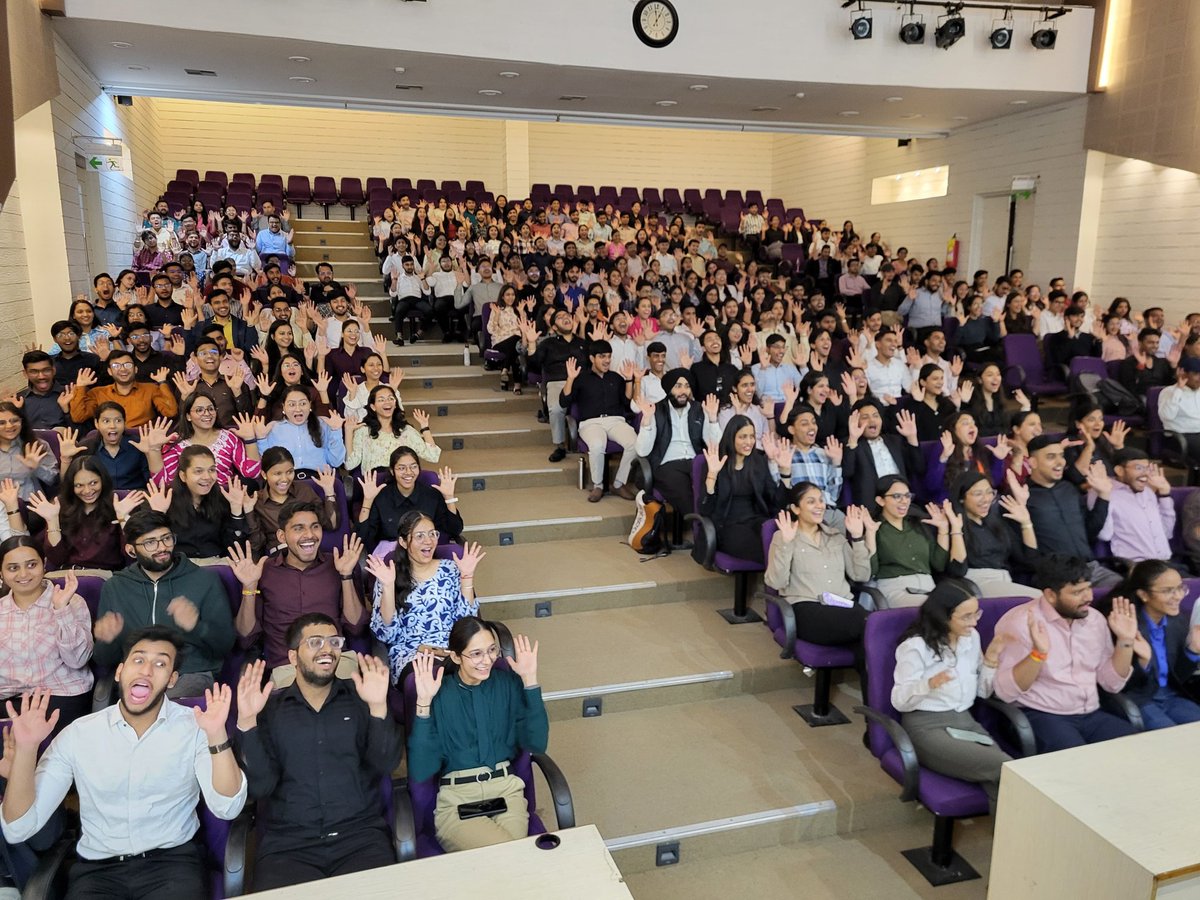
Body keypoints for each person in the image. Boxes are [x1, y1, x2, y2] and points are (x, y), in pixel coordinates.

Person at [0, 628, 247, 900]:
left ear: (172, 679)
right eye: (138, 660)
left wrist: (217, 734)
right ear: (119, 672)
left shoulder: (195, 726)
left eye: (160, 664)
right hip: (97, 872)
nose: (146, 671)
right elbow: (18, 828)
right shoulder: (79, 734)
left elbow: (227, 807)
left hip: (172, 866)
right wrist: (26, 750)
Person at [233, 621, 403, 891]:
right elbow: (260, 786)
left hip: (360, 839)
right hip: (289, 847)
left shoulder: (363, 698)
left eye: (334, 642)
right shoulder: (270, 710)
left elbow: (385, 763)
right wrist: (247, 722)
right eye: (315, 642)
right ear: (292, 657)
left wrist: (379, 707)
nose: (327, 649)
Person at [408, 620, 547, 852]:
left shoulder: (508, 683)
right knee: (512, 855)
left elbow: (537, 742)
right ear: (456, 657)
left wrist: (530, 680)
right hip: (458, 800)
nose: (487, 660)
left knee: (509, 859)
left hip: (506, 791)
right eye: (476, 654)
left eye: (492, 650)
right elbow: (422, 768)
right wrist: (423, 702)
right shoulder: (438, 693)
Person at [992, 554, 1140, 753]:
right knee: (1078, 761)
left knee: (1137, 751)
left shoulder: (1095, 620)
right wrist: (1038, 654)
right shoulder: (1020, 623)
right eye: (1078, 592)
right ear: (1050, 595)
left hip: (1091, 713)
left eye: (1088, 588)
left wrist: (1125, 641)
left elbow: (1111, 684)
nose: (1088, 597)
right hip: (1041, 714)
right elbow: (1006, 692)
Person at [891, 581, 1013, 811]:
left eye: (976, 614)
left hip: (965, 721)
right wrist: (928, 684)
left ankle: (1010, 834)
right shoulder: (916, 646)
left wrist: (991, 660)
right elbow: (899, 701)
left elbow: (982, 692)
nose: (974, 622)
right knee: (1006, 768)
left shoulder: (971, 637)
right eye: (966, 617)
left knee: (1002, 780)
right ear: (942, 616)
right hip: (926, 726)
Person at [93, 510, 235, 697]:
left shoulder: (204, 580)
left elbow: (225, 646)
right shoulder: (115, 587)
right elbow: (104, 660)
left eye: (166, 539)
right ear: (131, 550)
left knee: (155, 704)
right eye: (150, 542)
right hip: (139, 675)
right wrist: (107, 640)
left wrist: (196, 627)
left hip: (190, 673)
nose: (162, 548)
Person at [230, 503, 367, 673]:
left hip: (335, 663)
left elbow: (356, 628)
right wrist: (249, 587)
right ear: (282, 536)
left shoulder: (338, 564)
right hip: (286, 667)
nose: (309, 535)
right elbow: (245, 638)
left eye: (315, 527)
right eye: (298, 528)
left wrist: (346, 576)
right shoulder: (264, 571)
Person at [764, 491, 874, 683]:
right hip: (807, 609)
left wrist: (857, 537)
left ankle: (875, 698)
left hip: (843, 607)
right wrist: (786, 544)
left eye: (821, 501)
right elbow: (776, 582)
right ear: (796, 508)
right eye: (811, 501)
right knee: (871, 626)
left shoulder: (835, 536)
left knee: (869, 646)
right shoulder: (783, 537)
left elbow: (861, 575)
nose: (820, 505)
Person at [364, 513, 484, 683]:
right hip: (411, 655)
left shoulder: (451, 569)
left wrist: (467, 577)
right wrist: (388, 586)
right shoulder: (388, 574)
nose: (428, 541)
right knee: (433, 680)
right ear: (403, 542)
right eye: (420, 536)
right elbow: (387, 634)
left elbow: (466, 623)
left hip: (453, 652)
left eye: (433, 534)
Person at [0, 542, 93, 736]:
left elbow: (77, 661)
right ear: (1, 573)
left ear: (44, 564)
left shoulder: (72, 601)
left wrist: (61, 610)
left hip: (60, 693)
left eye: (31, 565)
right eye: (13, 568)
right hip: (8, 696)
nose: (23, 574)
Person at [1022, 435, 1121, 591]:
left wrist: (1103, 496)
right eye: (1051, 457)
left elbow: (1090, 531)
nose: (1060, 462)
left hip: (1089, 568)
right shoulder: (1023, 496)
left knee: (1126, 590)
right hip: (1057, 575)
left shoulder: (1069, 489)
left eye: (1061, 456)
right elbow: (1021, 551)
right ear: (1032, 462)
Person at [1113, 561, 1200, 730]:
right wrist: (1144, 664)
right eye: (1168, 591)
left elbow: (1177, 678)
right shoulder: (1126, 626)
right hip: (1141, 699)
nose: (1178, 596)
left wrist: (1192, 652)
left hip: (1172, 696)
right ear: (1143, 595)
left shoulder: (1177, 622)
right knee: (1170, 736)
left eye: (1180, 588)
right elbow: (1121, 686)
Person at [26, 457, 145, 572]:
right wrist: (52, 520)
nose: (87, 491)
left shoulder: (120, 504)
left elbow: (132, 556)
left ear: (103, 480)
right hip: (67, 573)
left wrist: (123, 517)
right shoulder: (61, 506)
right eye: (79, 485)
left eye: (93, 483)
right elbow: (57, 559)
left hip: (103, 575)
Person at [699, 415, 787, 564]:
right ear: (731, 438)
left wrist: (785, 472)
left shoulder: (758, 461)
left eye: (752, 436)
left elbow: (774, 502)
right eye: (743, 437)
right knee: (769, 550)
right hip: (726, 525)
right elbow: (705, 510)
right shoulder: (715, 463)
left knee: (782, 541)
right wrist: (712, 475)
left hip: (756, 520)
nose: (749, 442)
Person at [633, 369, 721, 516]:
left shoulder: (699, 409)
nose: (683, 391)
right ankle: (698, 525)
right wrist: (647, 420)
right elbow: (642, 451)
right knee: (686, 497)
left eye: (687, 386)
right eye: (678, 386)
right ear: (669, 389)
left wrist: (712, 418)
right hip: (667, 465)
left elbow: (715, 445)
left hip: (695, 461)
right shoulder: (656, 410)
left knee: (714, 489)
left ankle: (711, 524)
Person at [870, 475, 967, 608]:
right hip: (895, 588)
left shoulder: (918, 524)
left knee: (963, 605)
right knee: (936, 608)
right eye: (897, 496)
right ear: (881, 500)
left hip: (928, 588)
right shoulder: (874, 527)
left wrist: (943, 529)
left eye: (907, 496)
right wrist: (869, 534)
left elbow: (939, 564)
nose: (904, 501)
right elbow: (871, 571)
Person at [560, 344, 637, 502]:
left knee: (635, 443)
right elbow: (564, 401)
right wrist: (570, 378)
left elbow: (627, 402)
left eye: (609, 356)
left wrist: (629, 379)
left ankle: (619, 483)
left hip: (616, 420)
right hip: (591, 423)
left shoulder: (616, 378)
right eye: (602, 356)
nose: (607, 360)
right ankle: (598, 486)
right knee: (596, 445)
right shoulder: (581, 378)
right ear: (592, 358)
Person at [147, 445, 249, 559]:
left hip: (215, 563)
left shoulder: (223, 498)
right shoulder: (165, 500)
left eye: (212, 470)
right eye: (198, 471)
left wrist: (236, 509)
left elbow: (235, 549)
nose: (207, 477)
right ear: (183, 476)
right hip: (178, 563)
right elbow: (153, 548)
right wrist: (159, 514)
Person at [954, 472, 1042, 599]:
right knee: (1037, 598)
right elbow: (957, 569)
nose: (986, 499)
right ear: (961, 498)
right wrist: (955, 529)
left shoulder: (996, 523)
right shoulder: (956, 525)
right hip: (976, 583)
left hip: (1005, 580)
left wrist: (1026, 522)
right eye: (978, 494)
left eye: (989, 492)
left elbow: (1030, 560)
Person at [357, 447, 463, 551]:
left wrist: (449, 498)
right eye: (401, 468)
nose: (408, 472)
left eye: (413, 467)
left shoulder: (431, 495)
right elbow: (362, 537)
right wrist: (367, 500)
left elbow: (455, 530)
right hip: (392, 555)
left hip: (426, 553)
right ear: (392, 471)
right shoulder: (381, 497)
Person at [154, 396, 262, 487]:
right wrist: (152, 450)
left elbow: (252, 473)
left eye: (210, 409)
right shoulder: (175, 442)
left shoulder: (228, 438)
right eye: (199, 410)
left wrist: (250, 439)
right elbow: (164, 483)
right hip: (189, 499)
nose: (207, 413)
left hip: (224, 497)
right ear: (188, 416)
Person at [247, 448, 337, 556]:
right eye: (278, 473)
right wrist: (249, 511)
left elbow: (331, 525)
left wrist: (329, 492)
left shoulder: (303, 491)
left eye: (289, 472)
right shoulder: (256, 501)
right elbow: (256, 545)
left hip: (310, 551)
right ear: (264, 474)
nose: (285, 479)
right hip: (279, 558)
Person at [1098, 449, 1177, 565]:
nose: (1145, 473)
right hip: (1135, 567)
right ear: (1119, 470)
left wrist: (1165, 494)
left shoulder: (1148, 492)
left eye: (1147, 468)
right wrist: (1104, 495)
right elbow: (1105, 535)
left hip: (1165, 563)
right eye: (1139, 468)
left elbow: (1167, 533)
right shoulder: (1106, 492)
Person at [841, 401, 924, 509]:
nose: (872, 420)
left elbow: (918, 468)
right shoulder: (852, 444)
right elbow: (847, 472)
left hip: (903, 502)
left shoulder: (894, 441)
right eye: (865, 417)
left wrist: (912, 437)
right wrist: (853, 440)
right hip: (873, 506)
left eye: (876, 416)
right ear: (855, 422)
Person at [68, 349, 177, 428]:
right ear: (110, 371)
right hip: (109, 438)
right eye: (116, 366)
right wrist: (80, 387)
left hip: (142, 437)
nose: (123, 369)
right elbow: (78, 417)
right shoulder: (97, 393)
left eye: (127, 365)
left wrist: (162, 382)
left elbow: (171, 412)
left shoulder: (151, 389)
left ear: (135, 369)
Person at [345, 386, 440, 474]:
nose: (387, 402)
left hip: (403, 480)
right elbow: (350, 464)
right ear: (373, 407)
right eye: (381, 400)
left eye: (391, 398)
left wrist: (425, 427)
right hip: (376, 482)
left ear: (395, 404)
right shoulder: (363, 431)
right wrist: (348, 432)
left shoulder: (406, 430)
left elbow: (433, 456)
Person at [259, 387, 346, 471]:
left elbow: (336, 462)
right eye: (292, 404)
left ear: (310, 405)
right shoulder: (273, 428)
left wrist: (336, 431)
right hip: (287, 479)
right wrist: (261, 439)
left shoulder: (323, 424)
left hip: (321, 477)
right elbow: (268, 465)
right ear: (284, 407)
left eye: (303, 403)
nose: (298, 409)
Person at [78, 402, 155, 491]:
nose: (112, 426)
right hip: (102, 497)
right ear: (96, 423)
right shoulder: (86, 448)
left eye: (118, 421)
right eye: (106, 421)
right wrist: (66, 459)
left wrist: (151, 453)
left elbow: (154, 483)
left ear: (124, 422)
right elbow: (75, 484)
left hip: (135, 495)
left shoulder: (139, 445)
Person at [0, 402, 55, 501]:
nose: (9, 426)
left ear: (22, 422)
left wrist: (36, 468)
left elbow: (54, 480)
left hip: (30, 503)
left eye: (14, 421)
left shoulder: (37, 445)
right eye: (2, 423)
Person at [14, 351, 68, 431]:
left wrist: (67, 411)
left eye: (46, 370)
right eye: (34, 372)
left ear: (53, 370)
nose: (41, 376)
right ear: (25, 374)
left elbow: (82, 431)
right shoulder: (18, 400)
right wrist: (13, 412)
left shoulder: (69, 394)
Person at [1158, 357, 1200, 458]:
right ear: (1183, 373)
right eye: (1196, 374)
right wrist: (1179, 390)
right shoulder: (1169, 392)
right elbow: (1167, 416)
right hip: (1180, 437)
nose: (1199, 378)